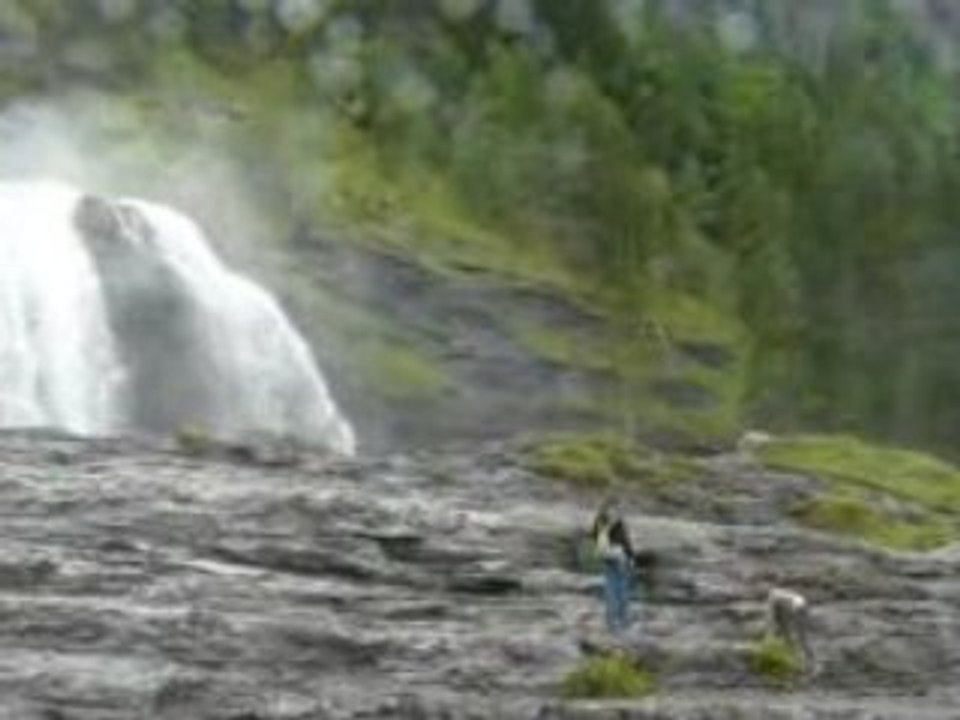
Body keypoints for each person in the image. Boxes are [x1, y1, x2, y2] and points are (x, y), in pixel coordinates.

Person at [591, 498, 637, 634]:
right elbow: (623, 541)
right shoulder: (610, 521)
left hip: (614, 558)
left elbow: (594, 536)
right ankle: (619, 623)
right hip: (616, 558)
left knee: (616, 590)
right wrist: (630, 556)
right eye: (617, 508)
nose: (619, 511)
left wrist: (630, 557)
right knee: (618, 590)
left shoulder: (605, 521)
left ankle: (616, 622)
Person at [766, 587, 815, 674]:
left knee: (800, 638)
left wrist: (770, 636)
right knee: (797, 637)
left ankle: (805, 663)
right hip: (798, 605)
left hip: (795, 607)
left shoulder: (774, 598)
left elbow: (771, 619)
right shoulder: (781, 595)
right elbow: (776, 618)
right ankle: (801, 662)